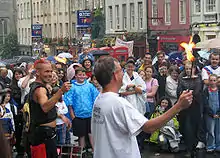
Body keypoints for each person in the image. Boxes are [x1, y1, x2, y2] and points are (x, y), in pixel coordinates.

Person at [92, 56, 193, 158]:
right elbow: (149, 127)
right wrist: (179, 106)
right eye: (120, 70)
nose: (123, 73)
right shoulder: (118, 104)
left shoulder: (99, 100)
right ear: (115, 75)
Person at [28, 59, 71, 158]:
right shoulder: (40, 89)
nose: (50, 74)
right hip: (43, 136)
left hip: (46, 135)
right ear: (38, 72)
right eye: (46, 71)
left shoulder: (42, 87)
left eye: (51, 71)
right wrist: (61, 91)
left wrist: (62, 116)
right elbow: (45, 107)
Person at [64, 67, 99, 151]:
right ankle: (81, 151)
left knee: (91, 133)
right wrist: (72, 116)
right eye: (79, 75)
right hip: (78, 115)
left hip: (90, 114)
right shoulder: (72, 87)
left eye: (83, 75)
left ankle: (95, 151)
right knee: (81, 135)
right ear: (75, 76)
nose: (81, 76)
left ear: (86, 76)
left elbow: (96, 98)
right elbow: (69, 102)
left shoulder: (90, 86)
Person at [203, 74, 220, 152]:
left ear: (217, 81)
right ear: (208, 81)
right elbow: (205, 104)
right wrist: (211, 114)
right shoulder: (206, 91)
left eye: (214, 80)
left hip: (218, 114)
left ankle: (218, 146)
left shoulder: (219, 90)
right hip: (209, 114)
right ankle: (210, 146)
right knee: (210, 131)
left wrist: (218, 113)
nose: (212, 82)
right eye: (211, 80)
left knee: (218, 131)